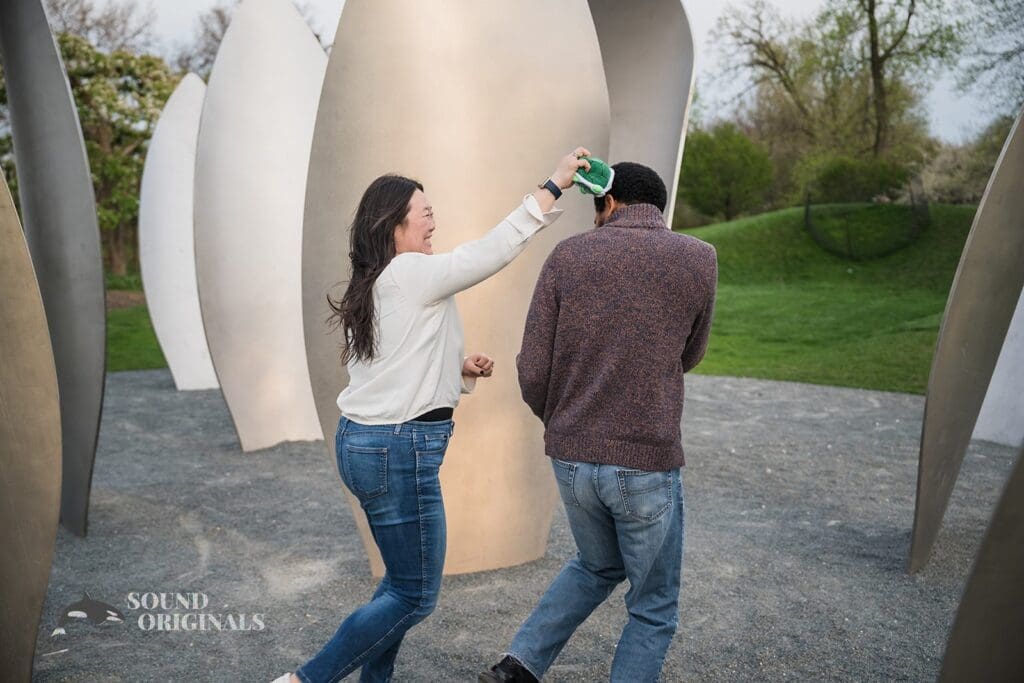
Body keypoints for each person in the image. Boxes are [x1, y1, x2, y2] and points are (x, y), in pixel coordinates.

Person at [273, 148, 593, 683]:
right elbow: (493, 251)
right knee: (416, 596)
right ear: (393, 224)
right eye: (424, 212)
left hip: (365, 444)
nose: (432, 220)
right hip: (397, 450)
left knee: (398, 583)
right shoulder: (411, 272)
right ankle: (306, 679)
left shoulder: (374, 283)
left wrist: (456, 366)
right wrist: (553, 186)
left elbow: (386, 366)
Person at [480, 162, 718, 682]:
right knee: (652, 605)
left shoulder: (568, 256)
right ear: (656, 208)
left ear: (609, 202)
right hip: (645, 458)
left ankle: (517, 668)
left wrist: (563, 420)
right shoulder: (699, 259)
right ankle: (521, 666)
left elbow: (532, 367)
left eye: (596, 209)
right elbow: (691, 353)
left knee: (596, 565)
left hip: (571, 456)